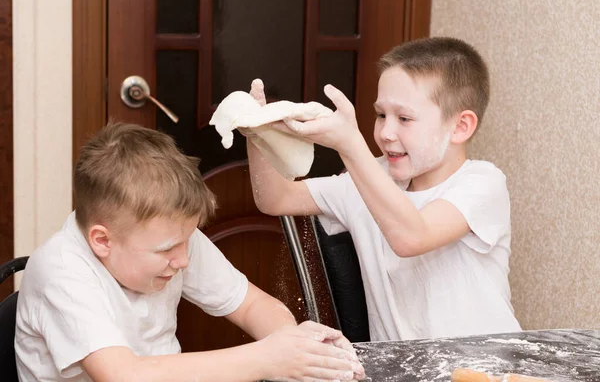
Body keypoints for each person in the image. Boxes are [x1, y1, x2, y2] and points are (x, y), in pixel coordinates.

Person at [15, 122, 365, 382]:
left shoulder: (170, 236)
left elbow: (252, 305)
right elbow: (123, 376)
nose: (183, 261)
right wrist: (267, 359)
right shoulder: (61, 271)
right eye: (168, 250)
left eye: (187, 240)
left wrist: (294, 344)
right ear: (102, 241)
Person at [246, 37, 522, 341]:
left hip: (486, 368)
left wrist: (350, 146)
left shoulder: (482, 183)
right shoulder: (367, 180)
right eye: (381, 115)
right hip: (401, 370)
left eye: (404, 118)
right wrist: (258, 131)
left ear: (460, 127)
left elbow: (412, 237)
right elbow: (275, 198)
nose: (386, 132)